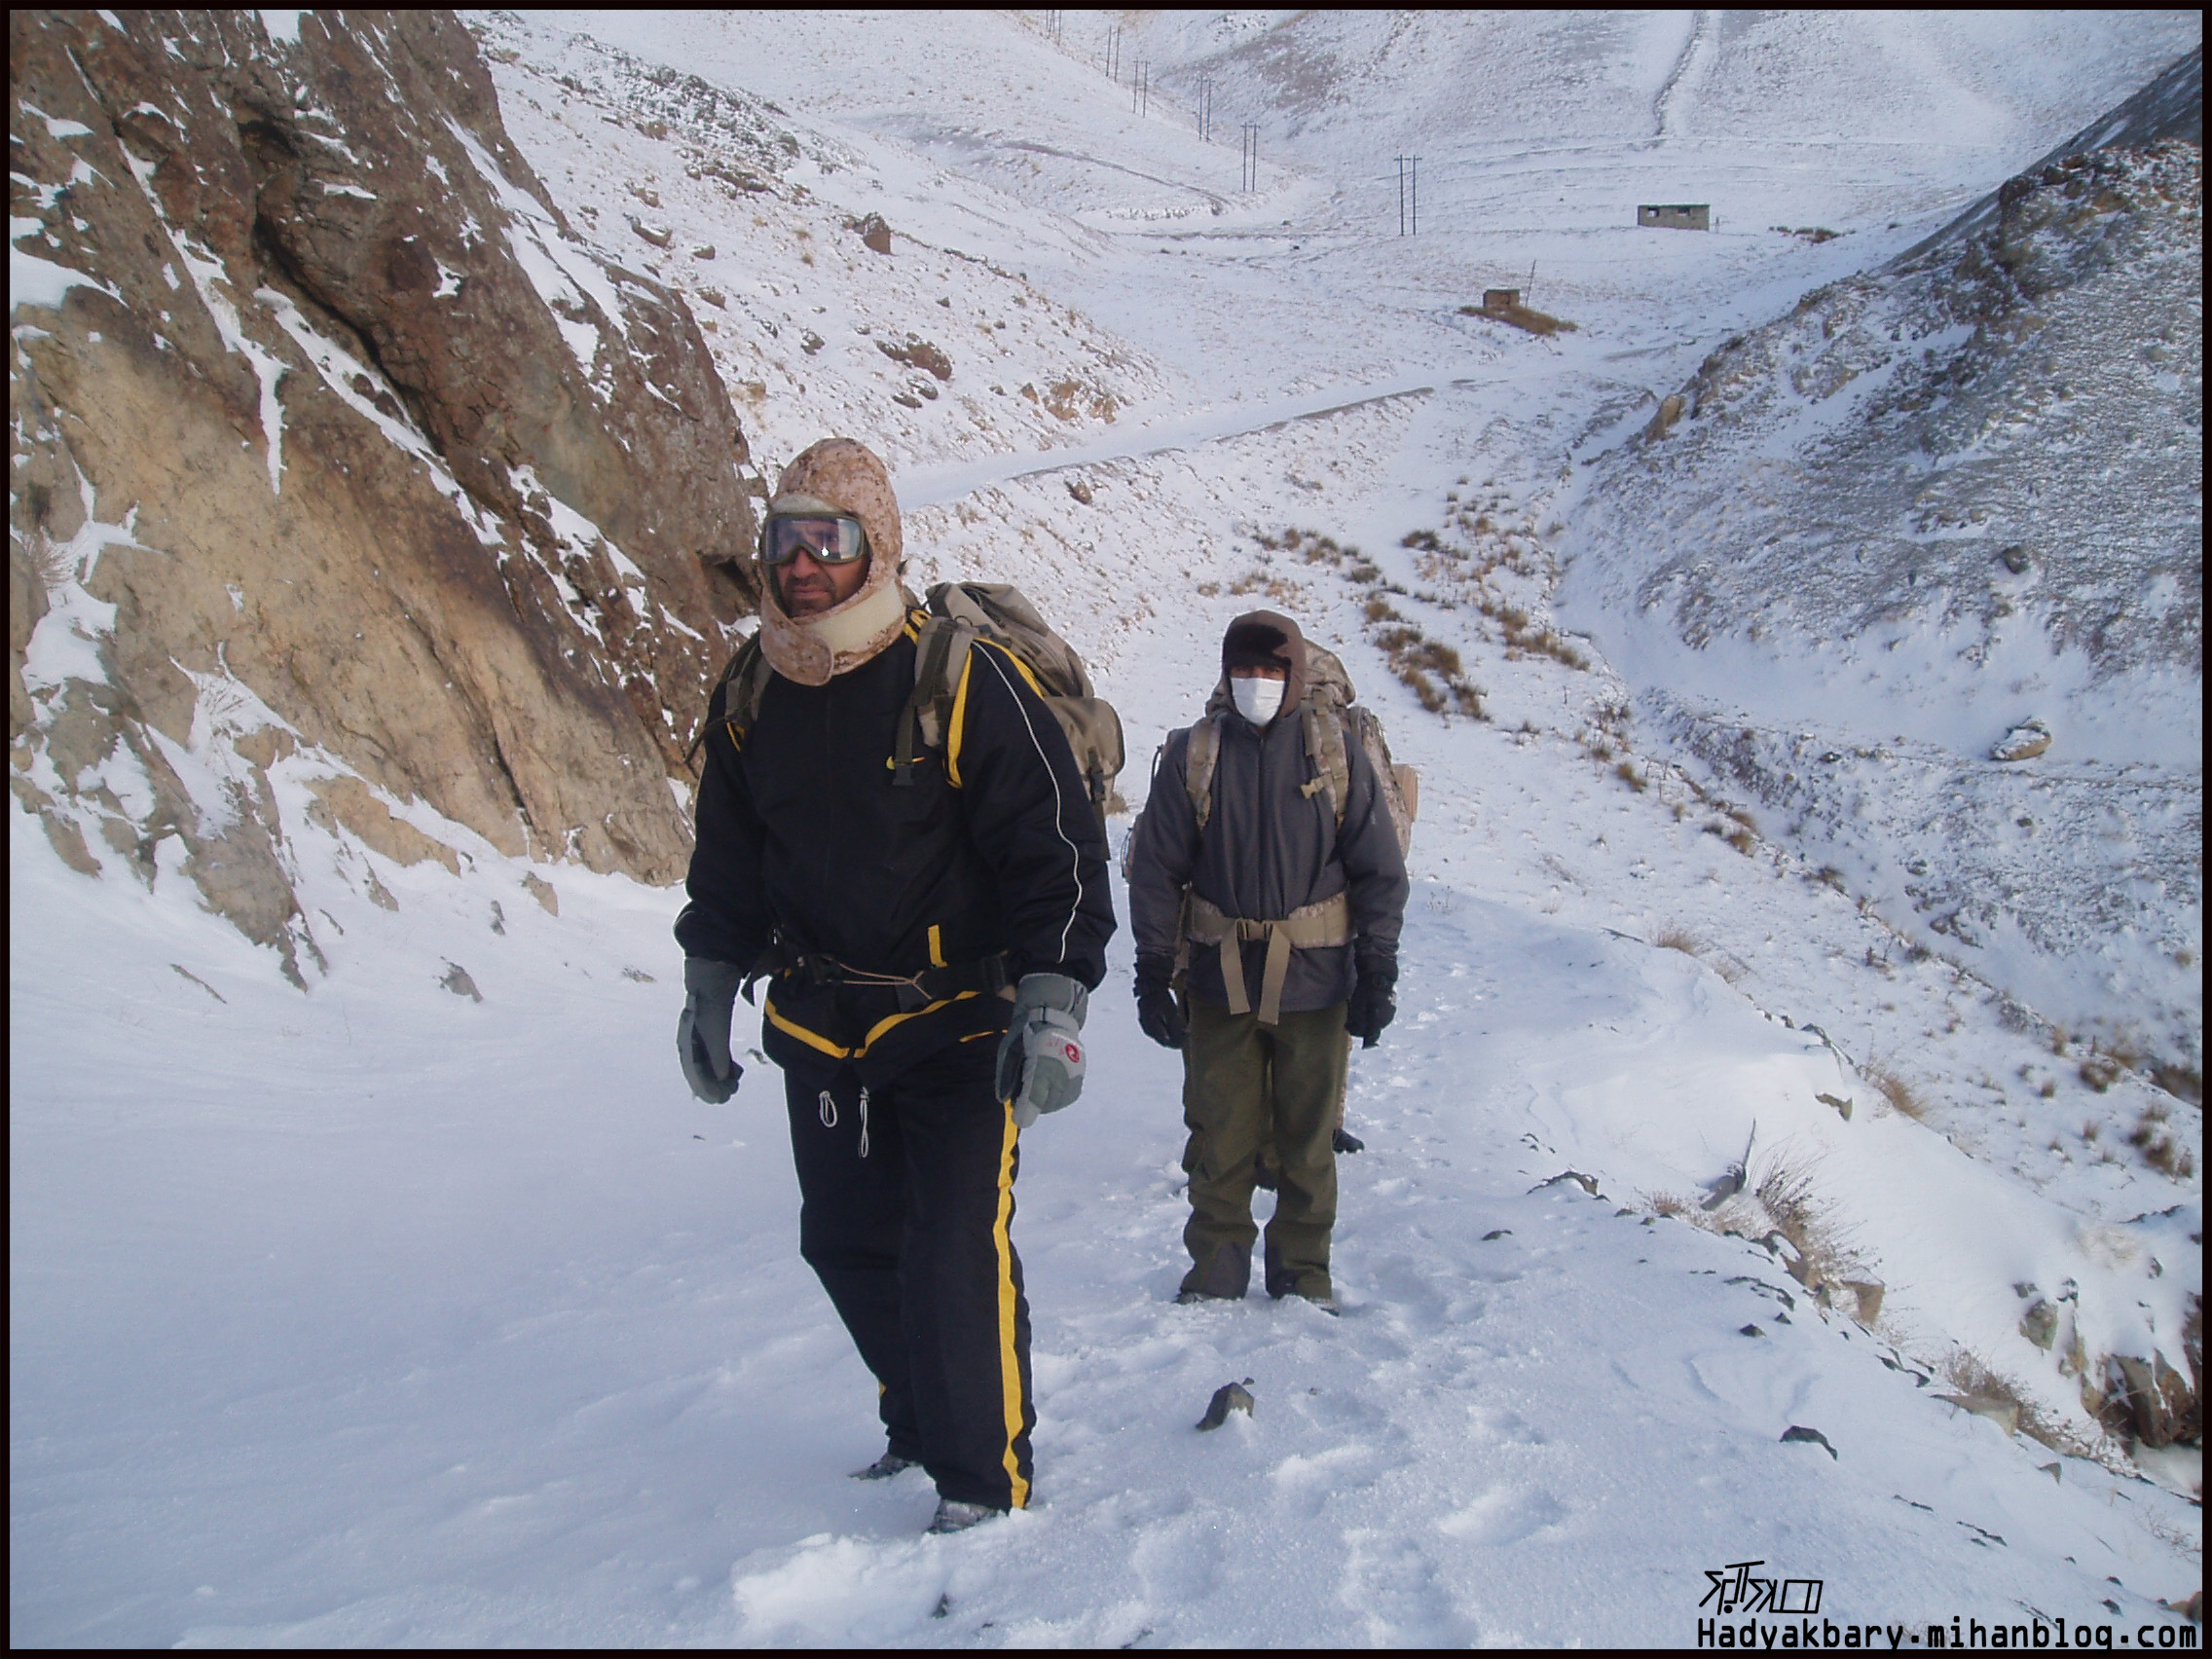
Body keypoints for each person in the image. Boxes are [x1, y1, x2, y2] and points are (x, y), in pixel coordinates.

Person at [674, 437, 1115, 1534]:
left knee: (953, 1247)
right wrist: (706, 979)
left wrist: (1055, 1001)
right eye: (787, 539)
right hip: (824, 1022)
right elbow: (728, 855)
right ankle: (916, 1421)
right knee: (847, 1243)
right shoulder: (749, 689)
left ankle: (981, 1481)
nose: (804, 564)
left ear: (878, 547)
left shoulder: (957, 675)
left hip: (961, 1021)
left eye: (830, 540)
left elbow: (1054, 847)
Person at [1124, 610, 1408, 1310]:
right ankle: (1216, 1271)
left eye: (1272, 670)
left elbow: (1379, 870)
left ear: (1296, 675)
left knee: (1307, 1141)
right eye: (1244, 669)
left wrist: (1378, 969)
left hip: (1316, 984)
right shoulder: (1197, 754)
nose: (1257, 683)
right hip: (1219, 982)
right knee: (1219, 1134)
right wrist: (1153, 971)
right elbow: (1157, 869)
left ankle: (1302, 1274)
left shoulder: (1333, 755)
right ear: (1225, 674)